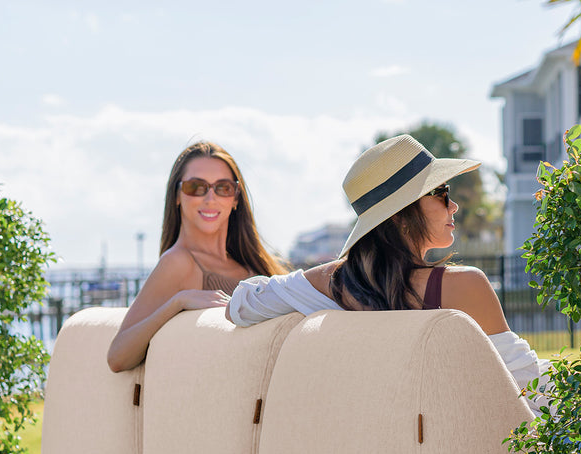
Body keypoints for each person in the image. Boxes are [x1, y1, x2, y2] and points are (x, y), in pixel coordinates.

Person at [226, 134, 545, 393]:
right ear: (401, 216)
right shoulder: (464, 287)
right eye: (441, 192)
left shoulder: (327, 286)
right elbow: (529, 386)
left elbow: (243, 305)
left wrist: (189, 299)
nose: (454, 205)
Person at [107, 140, 286, 372]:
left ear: (235, 198)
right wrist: (177, 302)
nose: (210, 198)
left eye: (223, 188)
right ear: (177, 195)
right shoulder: (178, 262)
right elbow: (117, 356)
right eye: (196, 187)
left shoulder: (251, 263)